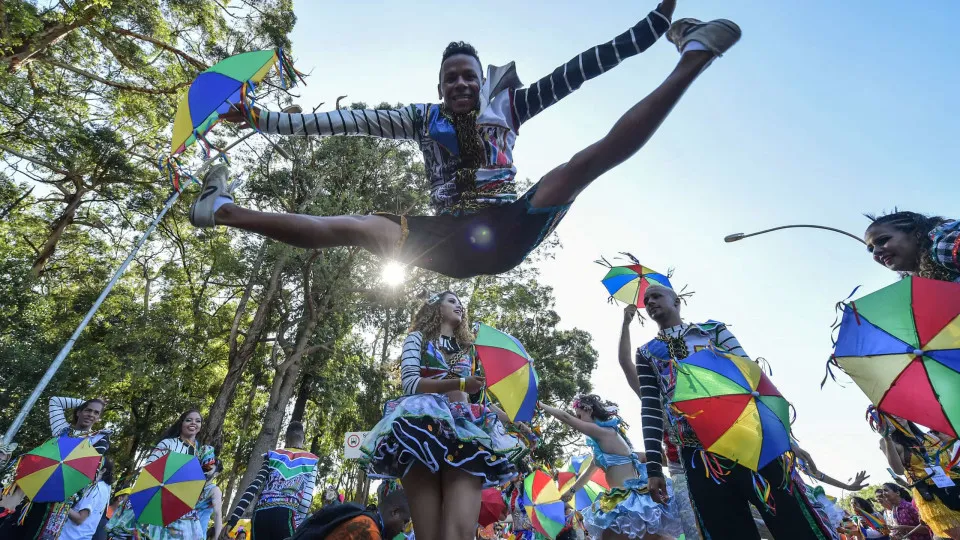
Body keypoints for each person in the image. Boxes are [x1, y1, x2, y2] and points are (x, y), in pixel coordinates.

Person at [190, 3, 743, 280]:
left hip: (508, 225)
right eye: (451, 77)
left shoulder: (510, 106)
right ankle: (221, 211)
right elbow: (340, 121)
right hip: (445, 236)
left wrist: (654, 24)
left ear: (482, 83)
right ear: (439, 87)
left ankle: (695, 56)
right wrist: (261, 118)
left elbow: (583, 68)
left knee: (580, 166)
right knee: (353, 227)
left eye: (469, 77)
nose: (460, 84)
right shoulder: (417, 118)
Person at [618, 285, 834, 539]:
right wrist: (654, 468)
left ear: (677, 302)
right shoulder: (646, 353)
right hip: (698, 455)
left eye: (657, 296)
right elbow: (651, 408)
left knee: (792, 522)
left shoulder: (713, 331)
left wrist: (785, 438)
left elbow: (753, 380)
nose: (650, 302)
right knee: (727, 532)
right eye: (646, 300)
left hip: (749, 438)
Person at [360, 291, 519, 540]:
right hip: (421, 430)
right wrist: (460, 383)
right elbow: (410, 384)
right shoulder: (417, 338)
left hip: (466, 432)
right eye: (452, 301)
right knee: (429, 534)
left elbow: (480, 400)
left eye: (461, 303)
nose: (459, 306)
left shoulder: (469, 350)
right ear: (436, 308)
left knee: (462, 532)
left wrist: (513, 419)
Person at [540, 395, 680, 539]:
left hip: (629, 499)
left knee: (649, 537)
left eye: (580, 416)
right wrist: (571, 491)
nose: (578, 420)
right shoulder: (601, 445)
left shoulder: (605, 433)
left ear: (589, 410)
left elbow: (566, 418)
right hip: (618, 498)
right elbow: (587, 474)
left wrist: (541, 405)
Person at [3, 397, 112, 539]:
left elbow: (89, 469)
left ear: (98, 418)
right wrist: (87, 403)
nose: (91, 415)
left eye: (96, 413)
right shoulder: (62, 429)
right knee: (11, 530)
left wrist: (89, 406)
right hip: (35, 488)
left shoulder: (98, 439)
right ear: (78, 412)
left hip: (59, 500)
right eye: (88, 410)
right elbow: (55, 401)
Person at [107, 409, 218, 539]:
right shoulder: (167, 444)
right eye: (189, 420)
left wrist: (209, 469)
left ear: (200, 426)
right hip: (156, 497)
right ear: (181, 423)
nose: (193, 423)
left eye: (197, 421)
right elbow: (150, 469)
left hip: (181, 506)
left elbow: (203, 479)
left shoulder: (201, 452)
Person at [225, 421, 319, 538]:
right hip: (287, 514)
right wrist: (299, 525)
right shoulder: (311, 460)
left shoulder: (272, 455)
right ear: (303, 439)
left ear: (286, 439)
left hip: (260, 515)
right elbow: (305, 502)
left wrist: (233, 520)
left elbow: (253, 487)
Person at [875, 410, 959, 539]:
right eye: (890, 414)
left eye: (897, 410)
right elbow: (898, 470)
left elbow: (950, 458)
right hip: (930, 495)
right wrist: (887, 438)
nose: (896, 415)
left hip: (952, 486)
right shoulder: (889, 442)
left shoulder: (929, 437)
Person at [864, 211, 960, 282]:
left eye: (883, 240)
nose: (876, 252)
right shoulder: (913, 281)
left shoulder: (944, 246)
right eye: (871, 249)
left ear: (917, 234)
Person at [288, 487, 412, 540]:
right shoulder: (370, 532)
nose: (403, 529)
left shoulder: (364, 516)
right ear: (395, 512)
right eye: (404, 521)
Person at [60, 458, 114, 540]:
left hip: (71, 536)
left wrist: (62, 505)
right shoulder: (106, 487)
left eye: (97, 464)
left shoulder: (96, 488)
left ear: (103, 470)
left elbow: (79, 519)